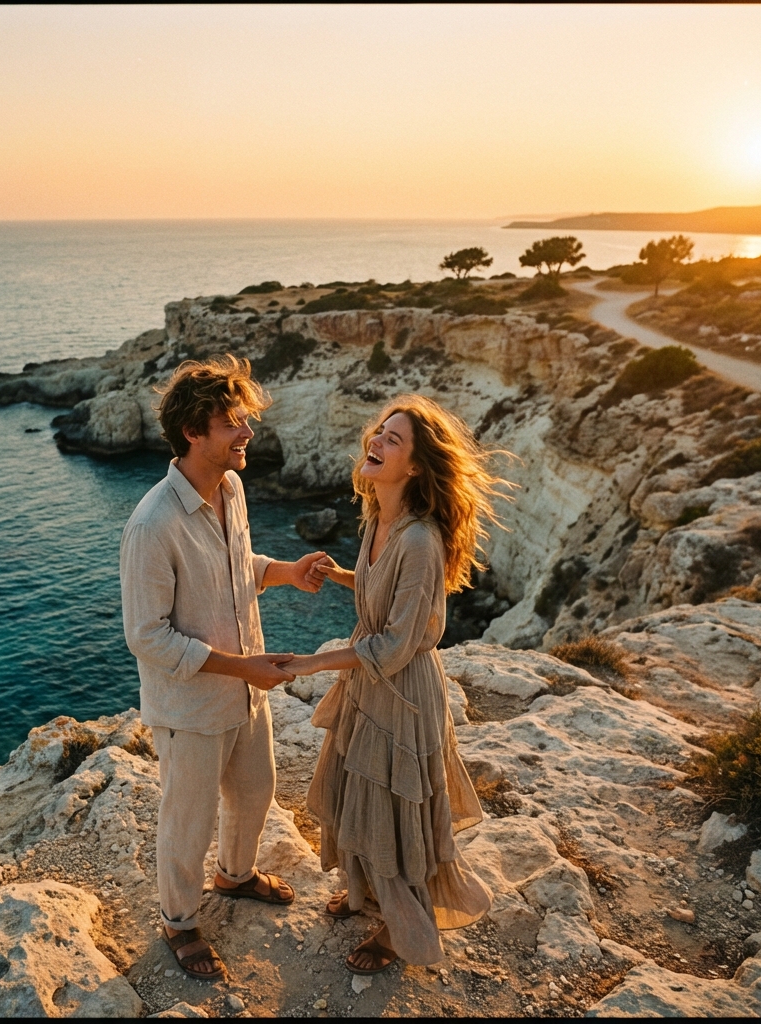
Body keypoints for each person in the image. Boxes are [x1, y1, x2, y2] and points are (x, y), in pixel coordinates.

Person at [120, 355, 329, 981]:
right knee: (188, 820)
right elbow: (146, 636)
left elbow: (239, 569)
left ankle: (235, 876)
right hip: (191, 706)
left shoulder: (231, 490)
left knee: (254, 790)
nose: (247, 432)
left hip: (245, 692)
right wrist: (244, 668)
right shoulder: (153, 524)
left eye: (245, 419)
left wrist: (287, 572)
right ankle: (179, 921)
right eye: (232, 422)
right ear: (193, 432)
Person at [286, 394, 509, 975]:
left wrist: (312, 663)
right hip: (369, 687)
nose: (376, 441)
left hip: (403, 693)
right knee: (357, 795)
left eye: (393, 439)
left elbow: (395, 644)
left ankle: (401, 924)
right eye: (379, 431)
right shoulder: (378, 520)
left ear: (414, 467)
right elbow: (379, 592)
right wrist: (340, 574)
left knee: (394, 812)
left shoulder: (418, 540)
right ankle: (367, 891)